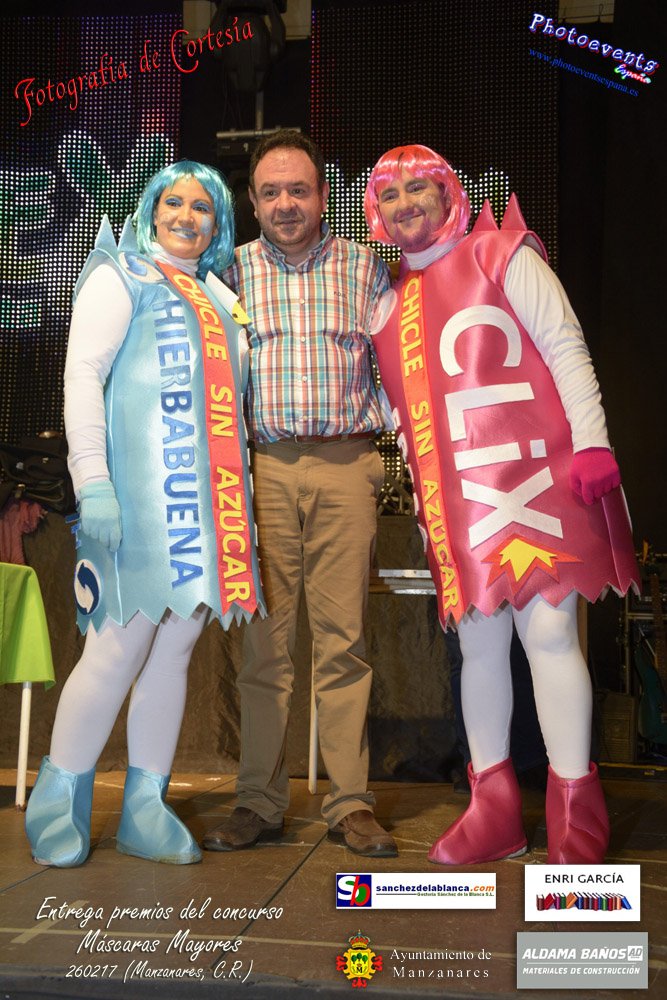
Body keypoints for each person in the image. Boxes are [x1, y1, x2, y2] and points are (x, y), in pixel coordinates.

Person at [364, 144, 639, 865]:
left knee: (549, 635)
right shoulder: (389, 303)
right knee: (478, 647)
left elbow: (565, 346)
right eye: (389, 194)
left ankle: (576, 810)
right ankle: (492, 810)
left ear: (449, 193)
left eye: (419, 187)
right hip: (466, 501)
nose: (406, 204)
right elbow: (404, 415)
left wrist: (592, 442)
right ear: (376, 213)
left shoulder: (502, 253)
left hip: (540, 480)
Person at [25, 160, 264, 867]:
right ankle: (57, 802)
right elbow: (83, 375)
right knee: (116, 648)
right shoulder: (120, 273)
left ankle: (145, 806)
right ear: (150, 209)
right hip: (133, 500)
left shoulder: (220, 298)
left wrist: (238, 508)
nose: (187, 216)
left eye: (203, 207)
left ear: (219, 225)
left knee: (176, 651)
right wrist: (92, 481)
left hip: (206, 509)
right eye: (173, 201)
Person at [202, 129, 397, 857]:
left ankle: (350, 804)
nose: (286, 203)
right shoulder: (227, 273)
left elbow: (398, 372)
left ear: (322, 195)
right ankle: (258, 801)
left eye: (299, 189)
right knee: (264, 650)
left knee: (345, 644)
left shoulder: (365, 268)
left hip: (347, 465)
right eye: (271, 192)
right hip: (262, 473)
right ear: (252, 204)